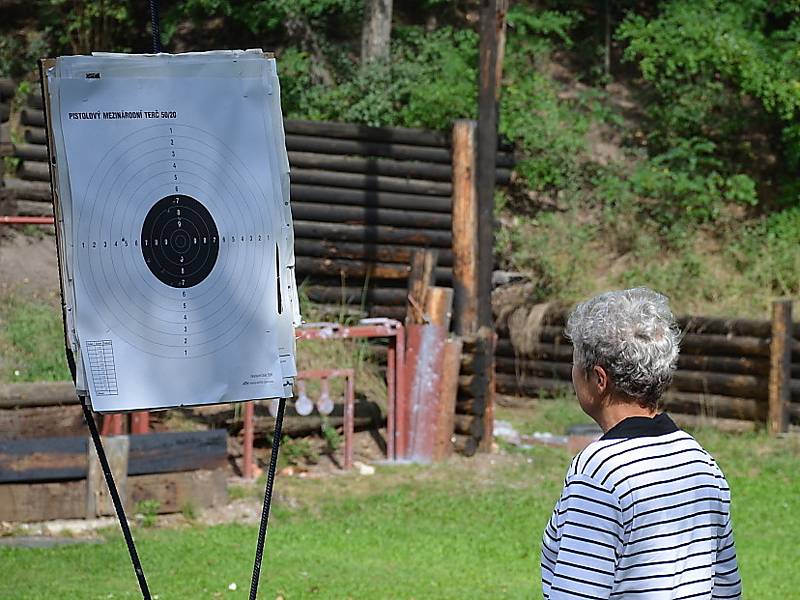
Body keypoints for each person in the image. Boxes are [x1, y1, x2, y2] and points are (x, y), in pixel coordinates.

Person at [541, 288, 742, 599]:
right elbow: (726, 591)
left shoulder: (599, 472)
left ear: (599, 379)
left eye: (575, 362)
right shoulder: (702, 463)